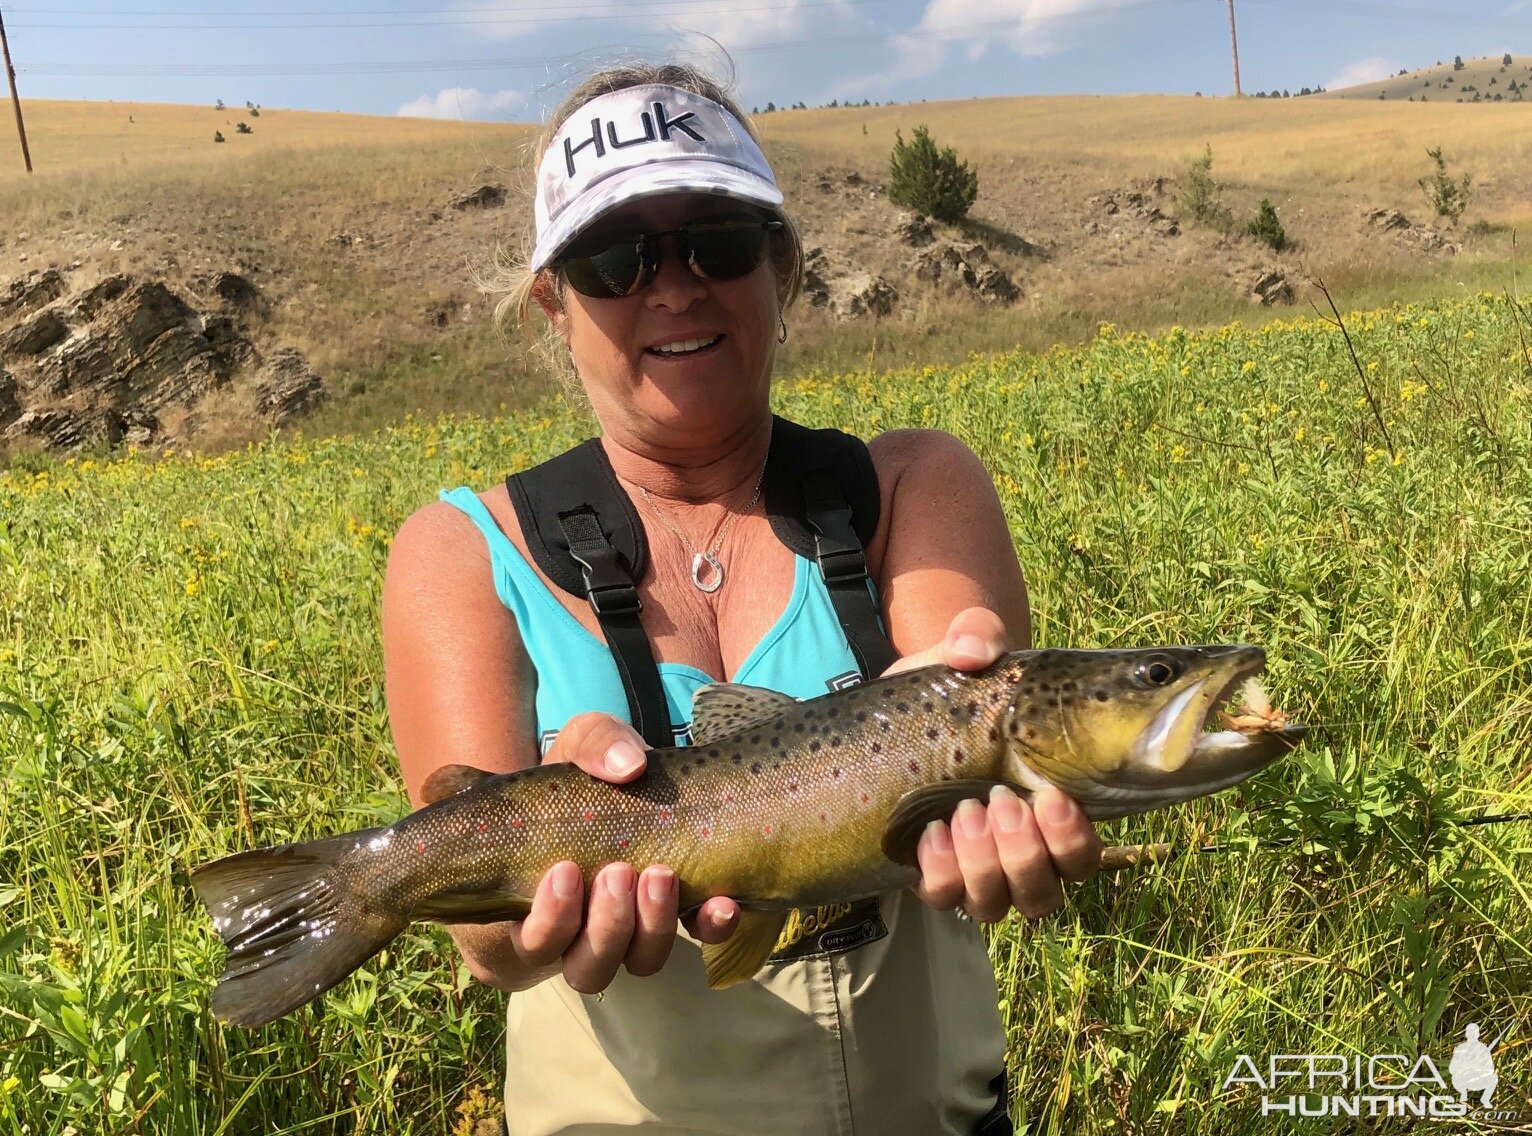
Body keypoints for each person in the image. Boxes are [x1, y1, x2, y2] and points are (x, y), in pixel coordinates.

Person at [382, 62, 1102, 1136]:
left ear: (782, 264)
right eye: (612, 259)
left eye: (715, 240)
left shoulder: (908, 487)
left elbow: (972, 711)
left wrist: (961, 729)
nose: (672, 287)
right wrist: (536, 866)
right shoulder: (458, 551)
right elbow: (484, 944)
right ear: (552, 300)